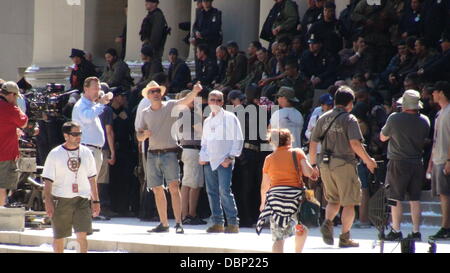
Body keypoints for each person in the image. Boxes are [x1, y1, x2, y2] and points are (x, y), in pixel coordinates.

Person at [309, 86, 377, 248]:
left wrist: (313, 165)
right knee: (349, 202)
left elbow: (312, 143)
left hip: (324, 164)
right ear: (350, 103)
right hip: (344, 164)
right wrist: (368, 160)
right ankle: (345, 238)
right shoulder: (349, 119)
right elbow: (354, 143)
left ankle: (327, 222)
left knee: (333, 199)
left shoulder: (323, 117)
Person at [137, 81, 203, 234]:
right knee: (157, 190)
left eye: (157, 91)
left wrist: (194, 91)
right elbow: (139, 135)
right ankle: (164, 223)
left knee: (174, 187)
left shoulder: (170, 105)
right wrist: (143, 135)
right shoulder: (145, 112)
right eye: (152, 91)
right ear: (148, 95)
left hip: (170, 153)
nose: (155, 93)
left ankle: (178, 223)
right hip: (153, 154)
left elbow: (185, 101)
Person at [42, 121, 100, 253]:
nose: (78, 136)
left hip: (82, 199)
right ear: (66, 136)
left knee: (82, 235)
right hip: (61, 199)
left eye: (80, 133)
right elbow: (48, 181)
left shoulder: (86, 152)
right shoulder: (55, 154)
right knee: (59, 236)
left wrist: (96, 200)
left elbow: (92, 178)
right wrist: (48, 201)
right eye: (75, 134)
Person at [380, 90, 430, 241]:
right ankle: (416, 232)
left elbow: (382, 137)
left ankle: (396, 230)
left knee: (395, 198)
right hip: (417, 163)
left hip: (398, 161)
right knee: (415, 199)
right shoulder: (425, 120)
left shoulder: (394, 118)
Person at [257, 128, 317, 253]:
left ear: (272, 142)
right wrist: (312, 171)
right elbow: (308, 172)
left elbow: (264, 185)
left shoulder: (269, 158)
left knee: (278, 238)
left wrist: (263, 203)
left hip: (275, 198)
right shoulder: (297, 152)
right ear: (289, 139)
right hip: (295, 197)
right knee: (301, 227)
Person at [199, 90, 243, 233]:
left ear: (223, 102)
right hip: (210, 160)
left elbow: (238, 138)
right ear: (208, 101)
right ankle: (217, 222)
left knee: (224, 191)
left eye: (218, 100)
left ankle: (233, 223)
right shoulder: (207, 120)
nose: (215, 103)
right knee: (211, 192)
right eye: (212, 100)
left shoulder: (230, 117)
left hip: (225, 160)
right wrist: (202, 156)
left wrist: (231, 157)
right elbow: (204, 142)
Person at [72, 77, 112, 181]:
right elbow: (87, 118)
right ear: (86, 88)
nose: (98, 91)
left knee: (92, 186)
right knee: (86, 184)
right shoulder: (81, 105)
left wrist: (99, 104)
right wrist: (101, 104)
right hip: (87, 150)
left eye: (99, 88)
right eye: (95, 88)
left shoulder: (92, 105)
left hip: (95, 150)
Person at [176, 90, 206, 225]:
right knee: (191, 183)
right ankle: (188, 214)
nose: (195, 101)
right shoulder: (186, 113)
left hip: (192, 151)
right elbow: (201, 129)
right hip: (191, 150)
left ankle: (188, 214)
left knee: (193, 183)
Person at [0, 82, 28, 206]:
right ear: (11, 95)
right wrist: (16, 106)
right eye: (16, 97)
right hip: (5, 155)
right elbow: (24, 122)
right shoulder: (10, 109)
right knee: (2, 187)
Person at [428, 81, 450, 240]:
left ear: (441, 92)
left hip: (445, 158)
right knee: (442, 194)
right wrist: (430, 162)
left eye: (434, 91)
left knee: (445, 194)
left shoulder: (449, 112)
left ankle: (445, 226)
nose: (432, 94)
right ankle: (445, 225)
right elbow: (436, 139)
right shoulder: (439, 113)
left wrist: (449, 159)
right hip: (437, 159)